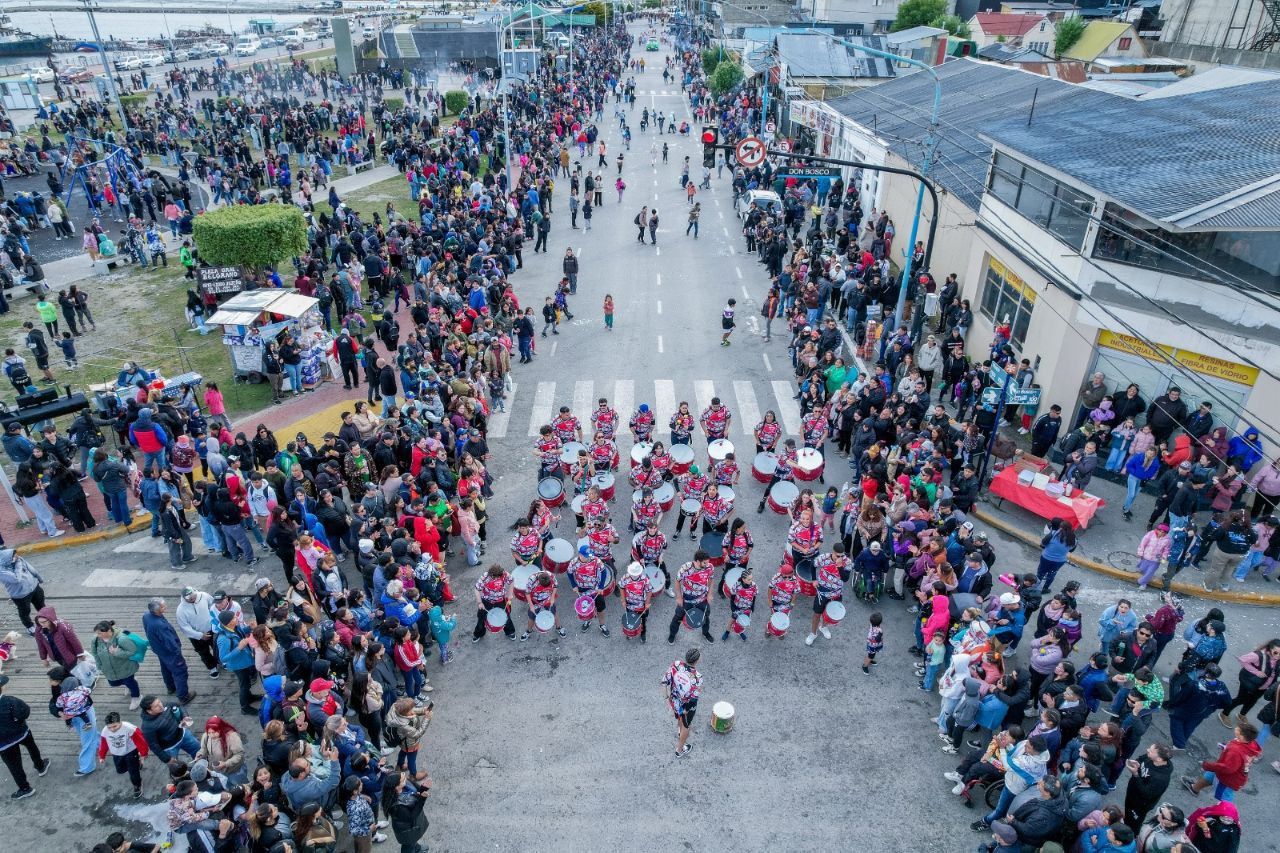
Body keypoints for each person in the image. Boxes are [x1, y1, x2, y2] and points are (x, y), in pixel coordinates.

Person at [1181, 721, 1261, 802]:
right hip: (1223, 771)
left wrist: (1207, 765)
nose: (1236, 728)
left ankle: (1219, 813)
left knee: (1224, 800)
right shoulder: (1251, 743)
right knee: (1208, 776)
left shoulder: (1236, 752)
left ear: (1242, 737)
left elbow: (1227, 768)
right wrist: (1226, 748)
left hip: (1228, 779)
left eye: (1238, 729)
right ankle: (1194, 788)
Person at [0, 673, 48, 800]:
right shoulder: (10, 701)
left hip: (4, 743)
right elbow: (25, 712)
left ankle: (25, 788)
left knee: (14, 766)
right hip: (21, 732)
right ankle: (40, 766)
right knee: (32, 747)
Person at [96, 711, 148, 799]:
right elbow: (104, 743)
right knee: (120, 770)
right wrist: (102, 755)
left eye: (115, 726)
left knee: (133, 772)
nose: (112, 729)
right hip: (116, 753)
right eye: (110, 727)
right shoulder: (105, 731)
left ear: (120, 722)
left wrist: (143, 753)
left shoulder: (130, 728)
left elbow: (141, 742)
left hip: (130, 752)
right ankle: (137, 763)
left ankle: (137, 785)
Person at [1123, 741, 1173, 833]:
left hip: (1140, 804)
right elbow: (1141, 758)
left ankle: (1129, 835)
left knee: (1133, 823)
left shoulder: (1161, 779)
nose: (1147, 750)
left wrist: (1135, 774)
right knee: (1127, 812)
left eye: (1150, 751)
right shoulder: (1150, 757)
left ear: (1159, 759)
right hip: (1132, 793)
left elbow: (1146, 793)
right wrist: (1137, 762)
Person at [662, 647, 702, 758]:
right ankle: (679, 750)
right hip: (686, 706)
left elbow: (664, 682)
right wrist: (686, 710)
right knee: (686, 726)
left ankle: (679, 731)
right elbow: (693, 699)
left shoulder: (676, 664)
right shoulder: (697, 677)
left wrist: (666, 699)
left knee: (679, 719)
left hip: (674, 700)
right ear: (697, 660)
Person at [0, 548, 46, 634]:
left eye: (15, 554)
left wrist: (39, 578)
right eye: (13, 556)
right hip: (21, 595)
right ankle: (29, 626)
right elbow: (16, 579)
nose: (16, 556)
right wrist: (18, 564)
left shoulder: (18, 560)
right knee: (25, 611)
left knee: (41, 605)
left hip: (34, 587)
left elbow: (31, 568)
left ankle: (47, 619)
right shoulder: (2, 571)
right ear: (7, 559)